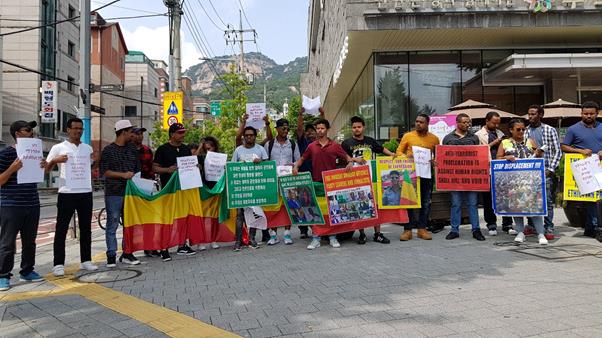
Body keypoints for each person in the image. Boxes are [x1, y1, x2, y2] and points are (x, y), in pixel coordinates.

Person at [292, 117, 364, 250]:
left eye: (322, 128)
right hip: (316, 184)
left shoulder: (335, 146)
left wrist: (349, 163)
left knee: (333, 212)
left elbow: (347, 158)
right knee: (316, 212)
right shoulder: (311, 146)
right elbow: (302, 158)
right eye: (318, 128)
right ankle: (316, 238)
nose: (319, 131)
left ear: (327, 130)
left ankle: (333, 237)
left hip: (331, 184)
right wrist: (296, 167)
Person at [46, 117, 98, 277]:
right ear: (68, 130)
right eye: (75, 128)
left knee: (86, 228)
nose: (78, 131)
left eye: (80, 129)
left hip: (85, 191)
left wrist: (95, 163)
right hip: (66, 192)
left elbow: (90, 168)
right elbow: (45, 170)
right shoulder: (58, 147)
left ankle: (86, 260)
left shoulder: (87, 148)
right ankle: (58, 264)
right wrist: (55, 160)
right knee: (61, 229)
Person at [0, 121, 47, 290]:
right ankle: (3, 275)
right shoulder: (5, 154)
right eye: (28, 130)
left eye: (32, 130)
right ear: (17, 134)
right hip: (11, 204)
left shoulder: (34, 154)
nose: (32, 133)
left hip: (32, 202)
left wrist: (44, 166)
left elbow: (41, 174)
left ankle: (27, 271)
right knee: (7, 242)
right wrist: (12, 168)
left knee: (30, 241)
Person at [341, 116, 394, 244]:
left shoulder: (370, 141)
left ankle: (377, 234)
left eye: (359, 127)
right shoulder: (346, 143)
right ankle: (362, 234)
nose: (356, 129)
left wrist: (393, 155)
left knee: (376, 206)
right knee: (360, 205)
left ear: (363, 127)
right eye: (354, 127)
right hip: (357, 179)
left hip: (372, 178)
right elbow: (343, 156)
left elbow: (381, 149)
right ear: (351, 129)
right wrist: (353, 160)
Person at [497, 118, 548, 245]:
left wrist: (538, 153)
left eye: (523, 129)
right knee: (516, 207)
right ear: (511, 130)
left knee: (534, 206)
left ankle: (541, 233)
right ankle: (520, 232)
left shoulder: (530, 141)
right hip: (513, 181)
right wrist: (506, 157)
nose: (521, 131)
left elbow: (538, 156)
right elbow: (497, 158)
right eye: (518, 129)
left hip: (530, 180)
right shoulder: (505, 143)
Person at [100, 120, 141, 267]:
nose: (133, 134)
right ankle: (111, 255)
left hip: (130, 193)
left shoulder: (132, 150)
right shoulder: (108, 150)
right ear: (123, 132)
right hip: (113, 192)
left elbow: (137, 171)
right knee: (113, 223)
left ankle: (127, 253)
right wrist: (123, 175)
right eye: (131, 131)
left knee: (129, 224)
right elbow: (104, 172)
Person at [153, 123, 195, 260]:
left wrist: (196, 167)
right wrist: (167, 170)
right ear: (172, 134)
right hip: (168, 191)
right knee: (167, 219)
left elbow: (191, 165)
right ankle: (164, 247)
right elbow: (155, 168)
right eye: (180, 132)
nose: (183, 135)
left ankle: (182, 245)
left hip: (183, 190)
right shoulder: (162, 149)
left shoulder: (185, 149)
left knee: (183, 217)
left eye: (184, 132)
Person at [395, 114, 440, 241]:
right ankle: (407, 230)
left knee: (425, 202)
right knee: (408, 201)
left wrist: (433, 161)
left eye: (421, 122)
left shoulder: (435, 139)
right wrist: (406, 158)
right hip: (410, 174)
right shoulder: (407, 136)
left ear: (427, 124)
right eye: (416, 121)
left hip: (426, 174)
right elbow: (398, 152)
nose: (418, 124)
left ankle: (422, 229)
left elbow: (437, 157)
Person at [561, 101, 602, 238]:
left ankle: (594, 227)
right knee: (591, 200)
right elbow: (564, 146)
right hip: (585, 169)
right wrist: (580, 151)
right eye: (585, 113)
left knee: (600, 199)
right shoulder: (573, 129)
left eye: (591, 113)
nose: (588, 116)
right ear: (581, 114)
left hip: (600, 167)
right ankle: (593, 228)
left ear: (597, 113)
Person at [442, 113, 486, 241]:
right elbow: (443, 157)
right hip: (455, 178)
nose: (468, 124)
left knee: (473, 204)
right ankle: (454, 230)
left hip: (471, 177)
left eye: (469, 122)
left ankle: (476, 230)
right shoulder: (448, 138)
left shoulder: (474, 138)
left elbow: (478, 156)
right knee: (455, 204)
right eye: (465, 122)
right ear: (458, 123)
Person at [525, 104, 562, 240]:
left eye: (533, 114)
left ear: (541, 114)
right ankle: (532, 226)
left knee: (547, 201)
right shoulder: (525, 131)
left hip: (545, 171)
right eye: (529, 114)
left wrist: (550, 169)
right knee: (529, 199)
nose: (530, 116)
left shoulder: (549, 130)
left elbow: (557, 151)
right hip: (529, 171)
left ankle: (548, 227)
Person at [232, 126, 269, 251]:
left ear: (255, 136)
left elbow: (268, 166)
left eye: (251, 135)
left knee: (255, 213)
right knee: (239, 215)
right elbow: (232, 167)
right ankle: (238, 241)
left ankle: (252, 239)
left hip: (255, 186)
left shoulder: (261, 149)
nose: (249, 137)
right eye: (246, 135)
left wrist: (261, 162)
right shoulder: (238, 150)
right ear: (243, 137)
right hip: (241, 187)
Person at [265, 118, 300, 245]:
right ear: (277, 129)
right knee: (273, 207)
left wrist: (294, 165)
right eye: (283, 128)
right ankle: (273, 234)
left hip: (288, 180)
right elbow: (265, 162)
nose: (286, 131)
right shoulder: (269, 145)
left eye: (287, 128)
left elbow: (298, 160)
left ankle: (287, 234)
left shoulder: (292, 143)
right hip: (273, 181)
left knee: (288, 206)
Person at [475, 111, 508, 236]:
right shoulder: (478, 135)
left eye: (498, 123)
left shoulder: (500, 133)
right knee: (488, 199)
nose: (496, 126)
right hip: (486, 170)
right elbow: (478, 152)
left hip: (501, 170)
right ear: (487, 121)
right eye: (494, 123)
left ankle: (507, 223)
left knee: (504, 197)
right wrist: (494, 143)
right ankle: (491, 224)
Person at [295, 107, 322, 238]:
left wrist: (322, 114)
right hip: (303, 178)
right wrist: (300, 114)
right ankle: (304, 229)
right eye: (308, 131)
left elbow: (324, 126)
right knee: (303, 203)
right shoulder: (302, 143)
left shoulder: (321, 143)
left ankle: (318, 228)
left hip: (318, 178)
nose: (310, 133)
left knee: (318, 203)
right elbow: (299, 129)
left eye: (313, 131)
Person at [196, 136, 221, 251]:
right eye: (206, 149)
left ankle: (213, 239)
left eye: (210, 148)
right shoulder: (200, 157)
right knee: (202, 216)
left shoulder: (220, 158)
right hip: (203, 188)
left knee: (214, 217)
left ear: (215, 147)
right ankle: (200, 241)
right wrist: (200, 147)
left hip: (215, 189)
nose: (208, 151)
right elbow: (192, 160)